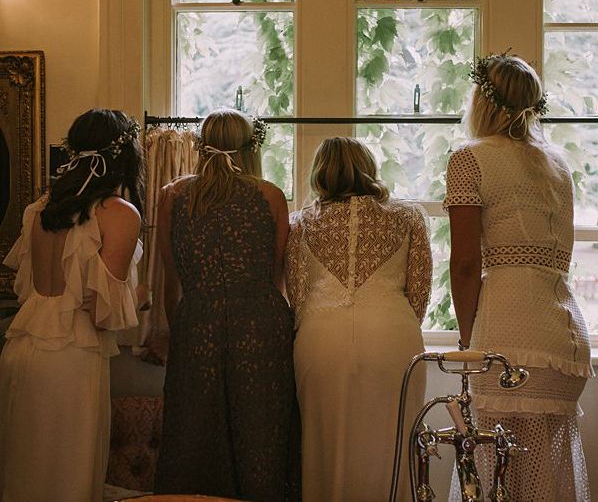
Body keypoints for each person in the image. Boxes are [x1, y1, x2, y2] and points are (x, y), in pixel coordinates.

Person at [445, 52, 593, 501]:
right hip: (563, 335)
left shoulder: (470, 159)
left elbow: (467, 263)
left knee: (495, 475)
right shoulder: (557, 164)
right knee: (541, 478)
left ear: (483, 101)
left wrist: (468, 340)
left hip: (508, 331)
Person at [154, 109, 299, 501]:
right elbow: (276, 277)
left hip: (197, 321)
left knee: (195, 437)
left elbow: (171, 280)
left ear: (200, 146)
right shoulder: (269, 194)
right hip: (260, 324)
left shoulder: (172, 195)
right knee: (261, 436)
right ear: (252, 146)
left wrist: (179, 328)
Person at [0, 109, 144, 502]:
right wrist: (139, 299)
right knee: (68, 474)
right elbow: (102, 310)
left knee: (26, 471)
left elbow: (29, 286)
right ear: (124, 154)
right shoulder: (117, 213)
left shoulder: (43, 207)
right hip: (71, 352)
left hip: (23, 345)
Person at [285, 137, 433, 502]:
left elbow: (297, 295)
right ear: (368, 167)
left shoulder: (301, 223)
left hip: (321, 337)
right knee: (393, 444)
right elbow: (419, 291)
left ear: (320, 172)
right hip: (393, 334)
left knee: (324, 445)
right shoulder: (408, 216)